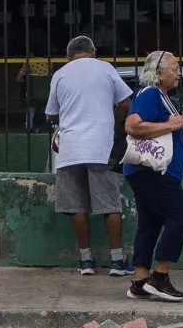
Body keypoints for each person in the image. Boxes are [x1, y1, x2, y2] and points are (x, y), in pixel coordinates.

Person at [45, 35, 132, 276]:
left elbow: (51, 114)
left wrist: (70, 117)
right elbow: (126, 102)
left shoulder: (60, 74)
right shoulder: (106, 69)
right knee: (110, 205)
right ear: (93, 51)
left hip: (70, 148)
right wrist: (111, 120)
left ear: (69, 55)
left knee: (76, 207)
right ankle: (117, 261)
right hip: (101, 147)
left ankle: (86, 261)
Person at [122, 50, 183, 304]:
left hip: (150, 173)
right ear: (159, 74)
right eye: (174, 68)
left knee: (150, 223)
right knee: (180, 216)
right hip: (153, 173)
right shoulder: (150, 93)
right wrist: (172, 125)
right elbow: (132, 126)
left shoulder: (160, 96)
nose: (179, 73)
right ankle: (159, 278)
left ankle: (140, 281)